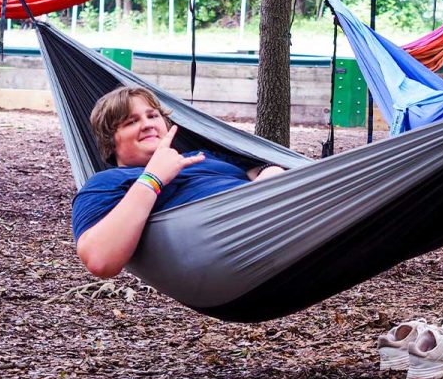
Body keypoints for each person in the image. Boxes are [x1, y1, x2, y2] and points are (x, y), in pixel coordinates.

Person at [72, 86, 284, 279]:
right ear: (110, 140)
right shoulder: (107, 182)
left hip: (283, 219)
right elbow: (99, 261)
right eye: (131, 121)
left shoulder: (205, 155)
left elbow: (257, 168)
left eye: (153, 115)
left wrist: (270, 176)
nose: (147, 125)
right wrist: (153, 178)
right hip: (238, 246)